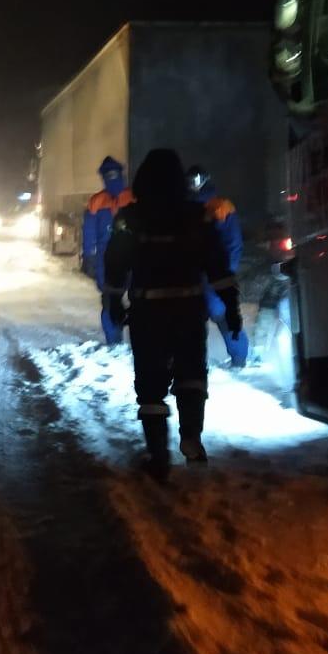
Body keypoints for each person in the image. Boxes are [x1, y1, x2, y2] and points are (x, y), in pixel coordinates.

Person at [103, 149, 241, 477]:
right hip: (189, 309)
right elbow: (219, 267)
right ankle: (191, 438)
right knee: (191, 374)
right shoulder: (199, 216)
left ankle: (158, 455)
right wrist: (231, 308)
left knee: (150, 385)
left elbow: (115, 267)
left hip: (147, 312)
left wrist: (112, 304)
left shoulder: (129, 218)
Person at [185, 164, 250, 368]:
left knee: (222, 313)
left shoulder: (222, 206)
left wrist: (226, 272)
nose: (194, 185)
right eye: (190, 181)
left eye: (197, 180)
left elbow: (234, 243)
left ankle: (239, 359)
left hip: (215, 274)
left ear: (205, 180)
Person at [81, 156, 134, 343]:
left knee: (111, 301)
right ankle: (131, 343)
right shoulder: (133, 197)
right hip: (129, 258)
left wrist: (89, 257)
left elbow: (89, 233)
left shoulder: (97, 201)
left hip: (109, 260)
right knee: (134, 300)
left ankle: (115, 342)